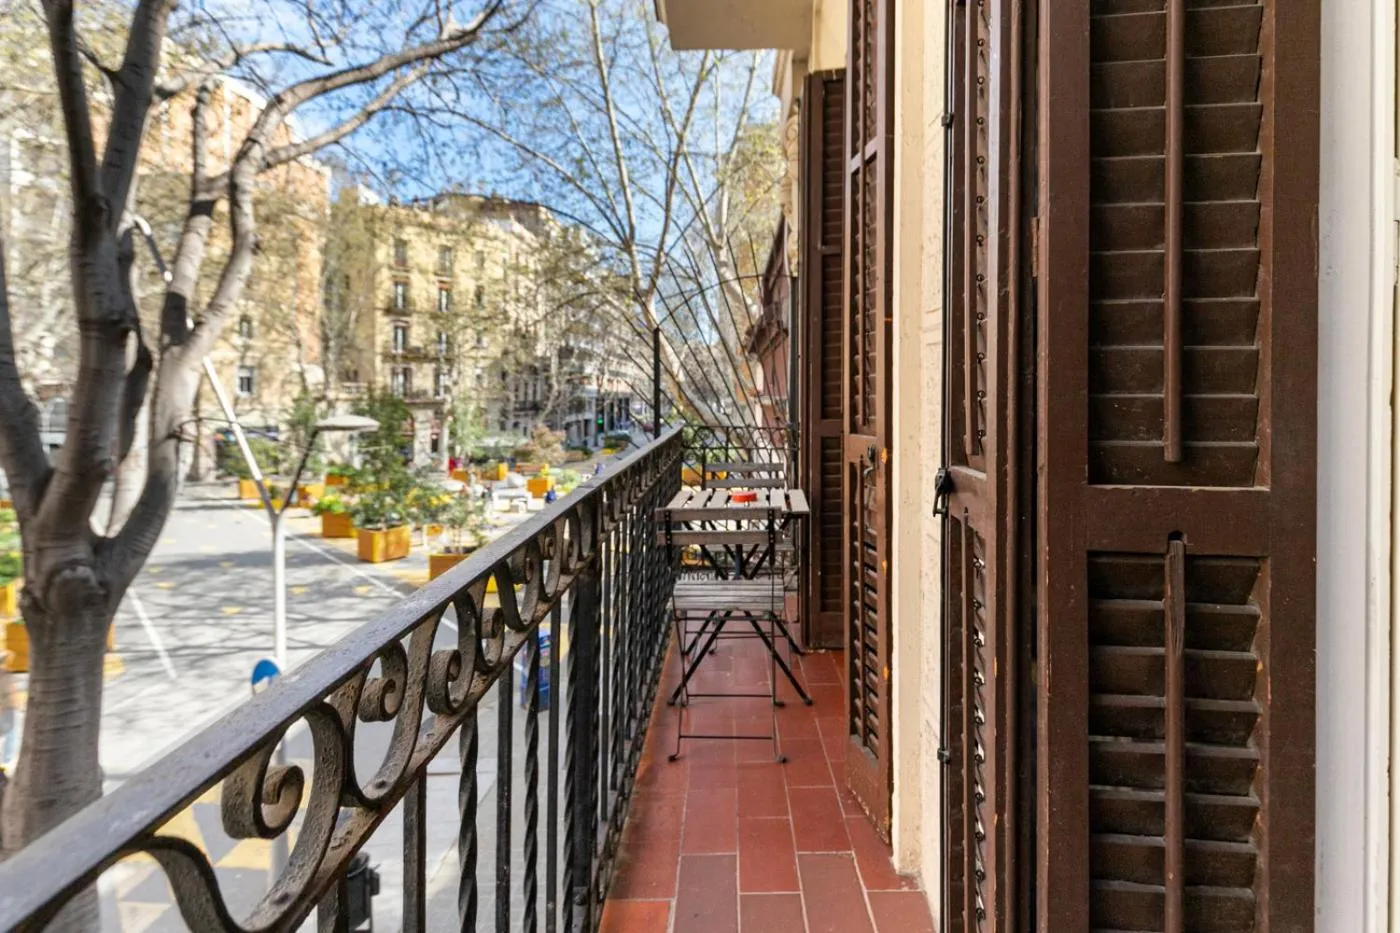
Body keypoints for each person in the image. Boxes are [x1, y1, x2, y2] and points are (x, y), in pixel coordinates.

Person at [0, 651, 18, 769]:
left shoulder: (6, 673)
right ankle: (6, 760)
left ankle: (7, 760)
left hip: (9, 707)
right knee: (9, 733)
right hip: (4, 707)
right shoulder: (3, 674)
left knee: (9, 733)